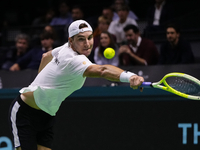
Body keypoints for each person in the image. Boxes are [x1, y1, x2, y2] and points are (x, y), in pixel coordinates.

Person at [8, 19, 144, 150]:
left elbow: (46, 56)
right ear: (71, 41)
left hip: (47, 114)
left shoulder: (65, 48)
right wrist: (130, 76)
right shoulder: (74, 60)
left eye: (89, 37)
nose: (87, 43)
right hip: (25, 112)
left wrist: (39, 83)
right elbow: (102, 70)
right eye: (81, 39)